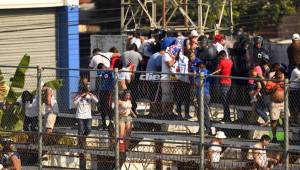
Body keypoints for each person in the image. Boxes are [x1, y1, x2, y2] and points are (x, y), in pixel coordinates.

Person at [211, 50, 233, 122]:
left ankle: (227, 117)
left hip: (223, 82)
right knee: (227, 101)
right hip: (229, 82)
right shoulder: (230, 61)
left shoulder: (221, 62)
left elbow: (218, 70)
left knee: (224, 101)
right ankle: (227, 117)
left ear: (221, 56)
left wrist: (211, 74)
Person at [264, 69, 286, 143]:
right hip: (274, 104)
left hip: (284, 103)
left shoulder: (284, 81)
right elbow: (266, 92)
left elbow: (289, 89)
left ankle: (286, 137)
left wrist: (285, 87)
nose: (280, 79)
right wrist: (273, 89)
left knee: (285, 120)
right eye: (279, 78)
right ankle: (274, 137)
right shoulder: (270, 82)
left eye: (281, 77)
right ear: (275, 76)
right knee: (274, 121)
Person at [193, 60, 213, 135]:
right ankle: (202, 128)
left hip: (204, 94)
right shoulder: (201, 72)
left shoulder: (204, 72)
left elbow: (198, 83)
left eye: (199, 65)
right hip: (200, 93)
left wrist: (195, 76)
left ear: (203, 65)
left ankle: (208, 128)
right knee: (199, 112)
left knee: (204, 112)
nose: (198, 67)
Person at [95, 63, 114, 130]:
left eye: (105, 66)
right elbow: (99, 73)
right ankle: (104, 125)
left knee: (109, 108)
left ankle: (111, 124)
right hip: (102, 91)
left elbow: (113, 71)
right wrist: (106, 69)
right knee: (103, 108)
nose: (105, 67)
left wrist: (110, 69)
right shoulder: (100, 72)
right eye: (103, 67)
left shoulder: (110, 72)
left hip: (109, 91)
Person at [174, 49, 191, 119]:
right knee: (179, 98)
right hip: (179, 81)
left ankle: (185, 114)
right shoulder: (175, 60)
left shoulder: (184, 58)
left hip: (184, 81)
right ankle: (180, 114)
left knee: (186, 98)